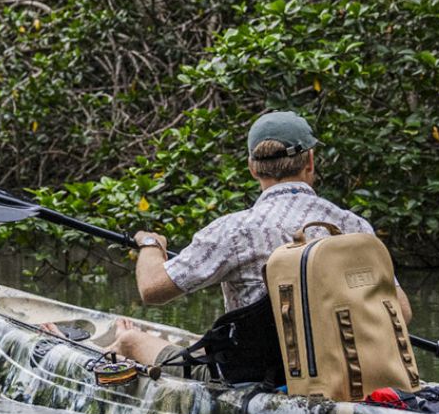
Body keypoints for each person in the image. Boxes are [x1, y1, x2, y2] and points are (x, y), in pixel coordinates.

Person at [103, 110, 412, 379]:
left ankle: (128, 341)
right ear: (310, 162)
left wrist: (149, 244)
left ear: (252, 167)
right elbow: (401, 313)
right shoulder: (354, 227)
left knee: (135, 340)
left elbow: (151, 289)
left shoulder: (235, 230)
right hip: (347, 373)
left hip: (255, 378)